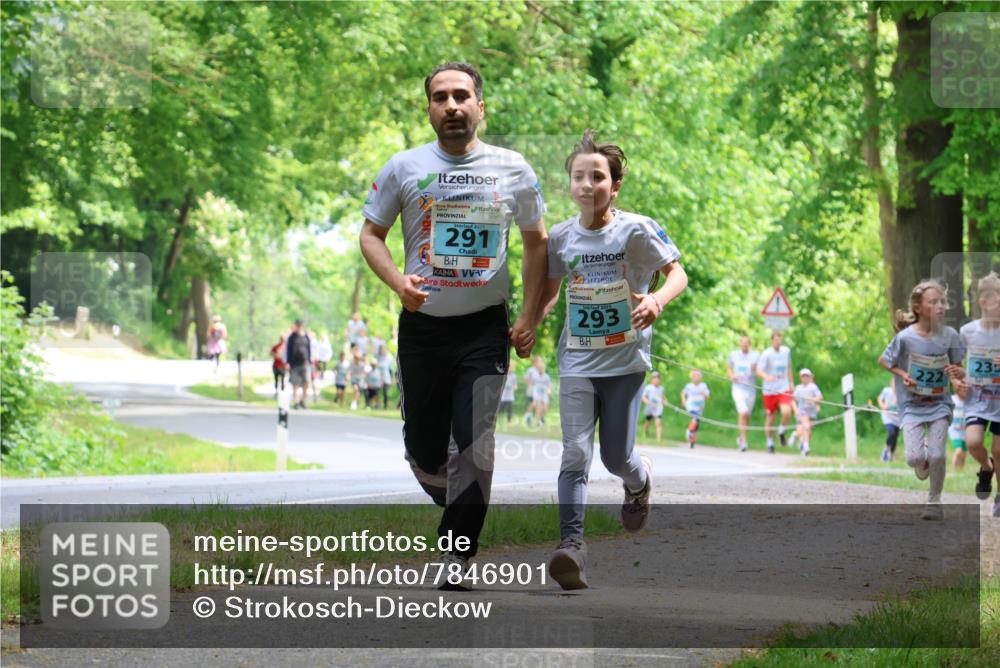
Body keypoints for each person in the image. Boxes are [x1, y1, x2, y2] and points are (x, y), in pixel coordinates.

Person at [359, 61, 547, 586]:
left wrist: (530, 315)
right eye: (440, 97)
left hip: (484, 329)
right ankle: (464, 493)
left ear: (480, 107)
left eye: (462, 96)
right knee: (423, 449)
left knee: (474, 442)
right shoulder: (404, 168)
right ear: (430, 111)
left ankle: (457, 552)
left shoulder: (514, 169)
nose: (452, 106)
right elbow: (371, 235)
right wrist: (399, 282)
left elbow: (538, 244)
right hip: (422, 328)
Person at [539, 130, 687, 590]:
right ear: (570, 184)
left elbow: (677, 274)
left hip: (625, 362)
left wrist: (657, 301)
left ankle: (639, 481)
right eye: (578, 177)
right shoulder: (561, 236)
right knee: (575, 453)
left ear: (615, 186)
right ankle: (572, 547)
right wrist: (528, 321)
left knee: (615, 456)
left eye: (597, 176)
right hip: (577, 361)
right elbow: (550, 290)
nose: (587, 184)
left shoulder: (637, 230)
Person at [879, 279, 965, 520]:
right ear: (918, 307)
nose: (941, 306)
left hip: (939, 404)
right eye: (933, 302)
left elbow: (960, 369)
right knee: (914, 458)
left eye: (943, 301)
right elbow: (884, 361)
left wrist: (958, 377)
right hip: (911, 406)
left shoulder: (950, 336)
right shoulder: (905, 338)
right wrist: (904, 374)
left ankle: (934, 501)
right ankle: (922, 458)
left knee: (938, 455)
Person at [957, 272, 1000, 516]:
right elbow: (957, 366)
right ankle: (986, 468)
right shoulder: (967, 332)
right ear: (984, 301)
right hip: (977, 399)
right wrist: (957, 382)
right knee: (973, 442)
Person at [758, 331, 794, 454]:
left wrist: (791, 383)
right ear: (772, 340)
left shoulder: (786, 351)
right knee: (770, 416)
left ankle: (781, 431)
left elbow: (789, 367)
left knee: (786, 411)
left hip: (783, 387)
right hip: (769, 390)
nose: (778, 342)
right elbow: (759, 370)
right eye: (776, 340)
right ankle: (770, 442)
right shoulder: (766, 354)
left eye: (780, 339)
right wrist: (767, 377)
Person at [727, 334, 759, 452]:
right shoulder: (734, 355)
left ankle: (741, 437)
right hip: (738, 388)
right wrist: (732, 376)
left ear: (749, 344)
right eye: (743, 343)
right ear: (740, 344)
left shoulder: (755, 356)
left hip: (750, 389)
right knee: (743, 412)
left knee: (747, 415)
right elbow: (729, 368)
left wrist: (754, 368)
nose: (744, 345)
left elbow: (759, 370)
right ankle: (744, 442)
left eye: (747, 343)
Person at [789, 368, 822, 456]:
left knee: (806, 431)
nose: (805, 378)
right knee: (806, 427)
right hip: (802, 411)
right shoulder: (798, 388)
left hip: (812, 412)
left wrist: (813, 401)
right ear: (800, 378)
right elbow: (793, 400)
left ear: (810, 377)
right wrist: (795, 410)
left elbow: (820, 397)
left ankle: (796, 437)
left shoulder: (813, 387)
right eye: (803, 376)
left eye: (807, 376)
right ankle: (806, 447)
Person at [285, 319, 312, 410]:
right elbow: (288, 350)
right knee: (295, 383)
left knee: (306, 382)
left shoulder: (306, 336)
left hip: (305, 363)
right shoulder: (292, 337)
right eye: (298, 325)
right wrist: (288, 362)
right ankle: (296, 401)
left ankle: (303, 400)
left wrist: (309, 360)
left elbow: (309, 349)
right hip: (294, 364)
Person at [681, 370, 710, 448]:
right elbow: (683, 393)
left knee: (696, 424)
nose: (696, 378)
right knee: (695, 419)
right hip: (691, 406)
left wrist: (704, 393)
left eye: (697, 376)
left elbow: (707, 396)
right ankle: (689, 432)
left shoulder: (703, 386)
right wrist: (683, 401)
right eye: (694, 376)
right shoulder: (689, 386)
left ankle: (692, 441)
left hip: (700, 407)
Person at [877, 384, 900, 462]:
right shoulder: (887, 390)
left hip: (898, 419)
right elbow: (879, 399)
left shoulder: (902, 392)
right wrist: (883, 406)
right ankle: (886, 450)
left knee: (895, 437)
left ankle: (891, 454)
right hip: (887, 417)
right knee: (891, 432)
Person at [642, 371, 665, 440]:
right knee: (648, 421)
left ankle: (658, 438)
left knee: (658, 422)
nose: (656, 380)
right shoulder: (648, 387)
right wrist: (648, 402)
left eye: (658, 378)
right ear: (652, 380)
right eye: (654, 378)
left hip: (658, 408)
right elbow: (643, 397)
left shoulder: (661, 388)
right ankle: (645, 431)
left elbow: (662, 397)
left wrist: (664, 401)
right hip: (650, 408)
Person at [530, 357, 552, 427]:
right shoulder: (535, 376)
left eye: (542, 368)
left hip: (544, 394)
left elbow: (549, 385)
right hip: (538, 395)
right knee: (538, 408)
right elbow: (533, 385)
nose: (541, 370)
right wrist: (534, 396)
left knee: (545, 408)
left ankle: (541, 418)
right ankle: (539, 421)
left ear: (544, 369)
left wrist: (549, 390)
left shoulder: (546, 377)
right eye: (539, 368)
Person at [949, 392, 967, 470]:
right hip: (954, 429)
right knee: (958, 451)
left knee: (964, 453)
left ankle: (960, 470)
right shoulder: (952, 399)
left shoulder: (969, 400)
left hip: (966, 430)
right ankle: (953, 469)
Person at [524, 356, 543, 425]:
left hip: (539, 391)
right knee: (532, 404)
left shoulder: (541, 370)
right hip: (531, 391)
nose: (539, 363)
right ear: (535, 362)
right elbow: (525, 378)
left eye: (540, 362)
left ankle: (539, 420)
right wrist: (530, 383)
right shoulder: (531, 370)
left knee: (538, 405)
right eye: (538, 362)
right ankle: (529, 417)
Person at [377, 344, 394, 410]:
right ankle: (377, 405)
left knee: (385, 393)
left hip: (386, 378)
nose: (382, 351)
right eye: (381, 349)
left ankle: (385, 406)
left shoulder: (388, 357)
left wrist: (392, 378)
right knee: (378, 393)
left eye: (383, 349)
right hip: (378, 378)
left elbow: (390, 369)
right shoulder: (378, 357)